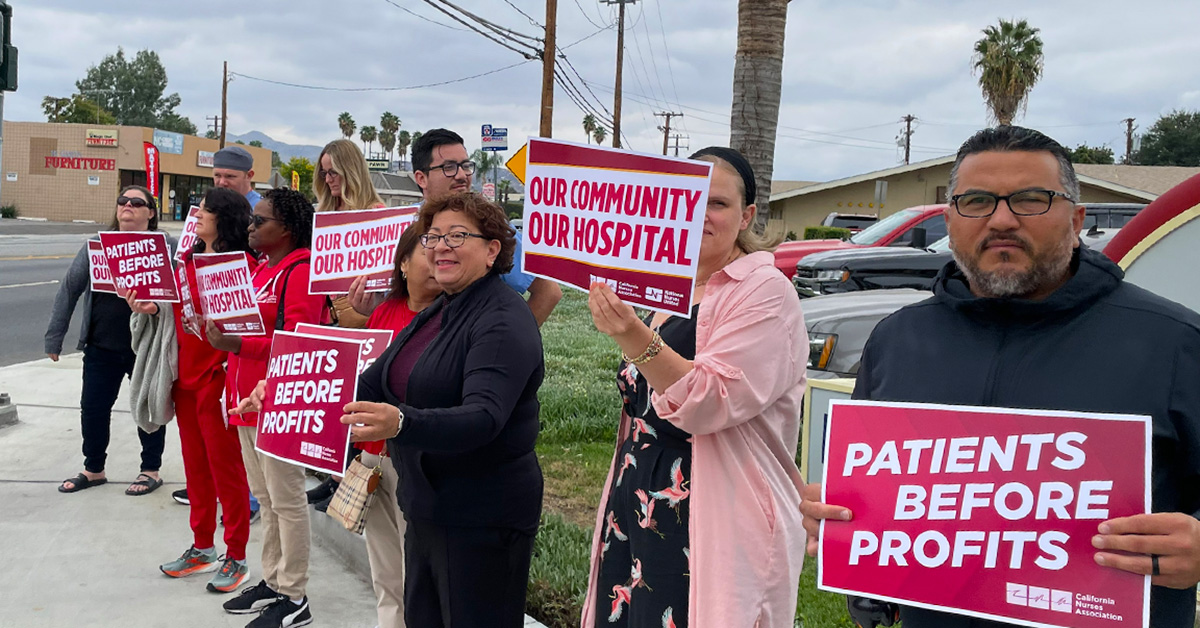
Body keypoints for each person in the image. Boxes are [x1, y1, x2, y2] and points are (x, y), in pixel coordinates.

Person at [799, 125, 1200, 627]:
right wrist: (843, 521)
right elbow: (875, 499)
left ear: (1076, 219)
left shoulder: (1176, 343)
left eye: (1031, 199)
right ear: (950, 219)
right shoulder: (898, 341)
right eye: (977, 201)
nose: (1002, 219)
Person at [580, 147, 808, 628]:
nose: (700, 213)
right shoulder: (660, 283)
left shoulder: (762, 289)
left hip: (712, 508)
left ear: (746, 215)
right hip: (639, 495)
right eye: (688, 198)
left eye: (718, 203)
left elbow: (709, 400)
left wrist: (631, 335)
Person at [341, 192, 545, 628]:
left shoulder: (502, 318)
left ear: (493, 251)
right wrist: (293, 390)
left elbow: (484, 416)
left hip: (481, 515)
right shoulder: (439, 309)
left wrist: (401, 421)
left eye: (457, 235)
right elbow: (375, 380)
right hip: (428, 507)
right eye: (432, 236)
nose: (440, 246)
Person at [128, 187, 258, 593]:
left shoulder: (246, 266)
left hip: (219, 381)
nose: (197, 214)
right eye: (198, 208)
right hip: (183, 379)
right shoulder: (184, 261)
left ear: (226, 218)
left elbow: (248, 324)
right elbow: (173, 310)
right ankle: (202, 546)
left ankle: (235, 554)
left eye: (207, 209)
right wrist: (149, 307)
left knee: (228, 472)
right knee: (195, 469)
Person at [211, 188, 326, 628]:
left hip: (277, 403)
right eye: (252, 220)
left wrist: (236, 342)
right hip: (244, 402)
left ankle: (294, 594)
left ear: (289, 229)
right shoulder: (262, 271)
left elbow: (298, 343)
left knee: (287, 500)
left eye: (261, 221)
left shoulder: (301, 271)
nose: (251, 227)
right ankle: (274, 580)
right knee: (266, 498)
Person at [340, 224, 440, 628]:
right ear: (402, 263)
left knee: (418, 571)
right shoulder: (383, 312)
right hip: (372, 459)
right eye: (427, 251)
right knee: (385, 571)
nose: (439, 260)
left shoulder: (453, 317)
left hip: (416, 461)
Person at [45, 185, 172, 496]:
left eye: (136, 202)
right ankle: (94, 468)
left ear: (150, 213)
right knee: (92, 408)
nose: (127, 206)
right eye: (122, 201)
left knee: (149, 409)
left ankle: (150, 470)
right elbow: (69, 289)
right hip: (101, 344)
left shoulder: (166, 246)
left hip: (145, 345)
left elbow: (179, 293)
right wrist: (54, 337)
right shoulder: (95, 246)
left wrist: (158, 309)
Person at [411, 128, 562, 326]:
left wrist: (510, 342)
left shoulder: (490, 226)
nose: (462, 175)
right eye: (449, 167)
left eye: (465, 166)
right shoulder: (401, 225)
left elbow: (548, 291)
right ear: (421, 178)